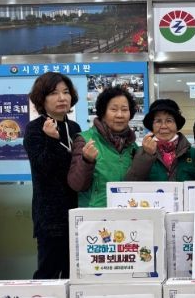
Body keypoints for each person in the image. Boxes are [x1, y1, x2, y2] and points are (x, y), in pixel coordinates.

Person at [24, 72, 81, 279]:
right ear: (42, 98)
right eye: (54, 93)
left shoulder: (74, 127)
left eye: (66, 92)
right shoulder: (34, 129)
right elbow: (43, 167)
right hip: (50, 215)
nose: (62, 98)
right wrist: (51, 139)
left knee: (74, 272)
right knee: (48, 272)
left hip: (76, 209)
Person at [68, 87, 138, 207]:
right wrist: (87, 161)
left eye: (124, 109)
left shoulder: (132, 145)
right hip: (95, 214)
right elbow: (76, 185)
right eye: (113, 109)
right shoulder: (85, 140)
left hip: (125, 213)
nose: (120, 115)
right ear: (103, 113)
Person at [125, 98, 195, 181]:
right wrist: (147, 156)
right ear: (152, 126)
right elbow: (130, 182)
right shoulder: (139, 152)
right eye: (158, 121)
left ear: (176, 125)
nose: (163, 126)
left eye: (169, 121)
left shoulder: (192, 153)